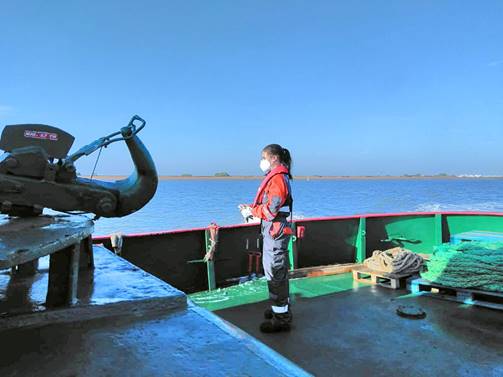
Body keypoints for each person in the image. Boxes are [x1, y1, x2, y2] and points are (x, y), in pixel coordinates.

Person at [239, 144, 294, 333]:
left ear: (274, 158)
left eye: (263, 157)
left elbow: (270, 211)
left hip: (275, 231)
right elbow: (271, 206)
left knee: (275, 271)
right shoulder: (278, 177)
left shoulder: (278, 179)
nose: (261, 161)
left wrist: (251, 211)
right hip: (273, 230)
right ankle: (280, 309)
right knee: (276, 271)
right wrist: (251, 208)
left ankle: (282, 319)